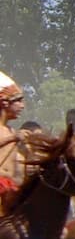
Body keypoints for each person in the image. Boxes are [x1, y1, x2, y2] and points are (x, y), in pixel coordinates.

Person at [0, 72, 28, 205]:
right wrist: (12, 138)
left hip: (10, 194)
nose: (22, 106)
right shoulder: (12, 135)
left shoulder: (12, 131)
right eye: (19, 101)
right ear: (5, 103)